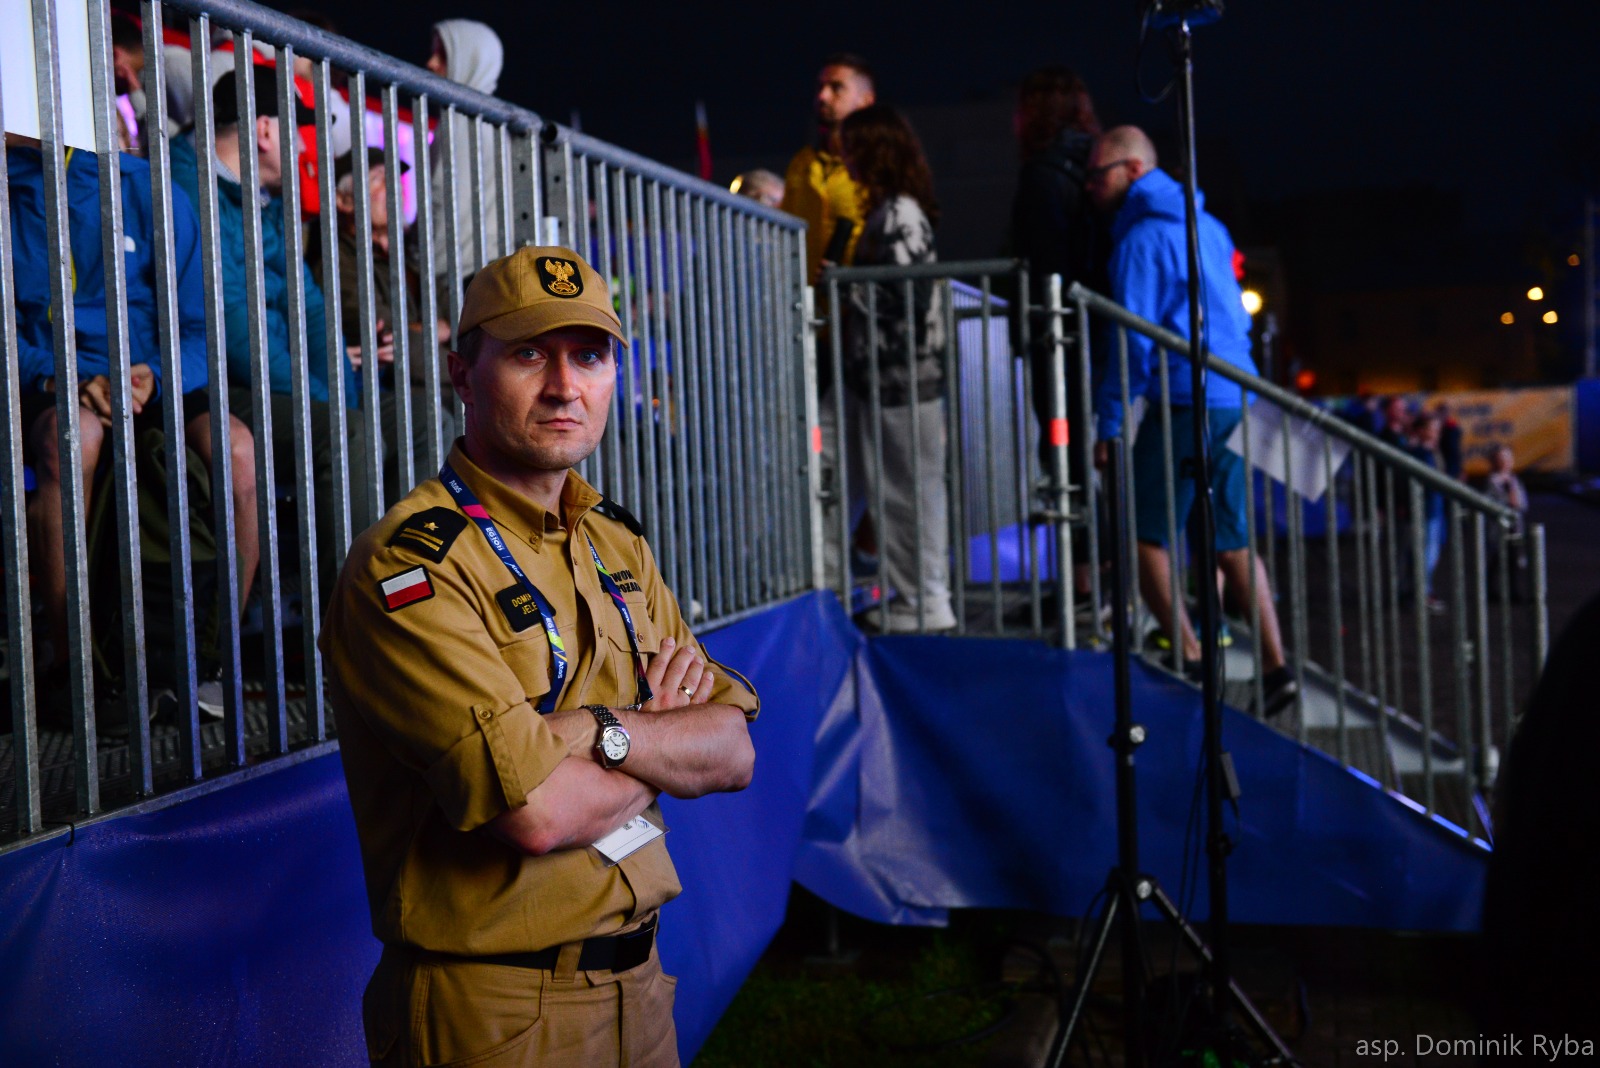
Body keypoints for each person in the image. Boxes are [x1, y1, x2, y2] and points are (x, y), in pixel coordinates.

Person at [321, 245, 758, 1068]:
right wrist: (659, 737)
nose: (565, 386)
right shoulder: (411, 566)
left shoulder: (615, 541)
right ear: (462, 375)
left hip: (641, 988)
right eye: (529, 354)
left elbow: (733, 749)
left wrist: (591, 731)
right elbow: (538, 815)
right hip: (493, 1010)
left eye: (589, 356)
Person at [7, 139, 259, 722]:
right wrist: (62, 378)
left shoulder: (149, 188)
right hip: (52, 379)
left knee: (239, 450)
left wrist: (154, 376)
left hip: (149, 374)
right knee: (74, 439)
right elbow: (8, 335)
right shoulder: (10, 193)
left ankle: (212, 658)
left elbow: (200, 328)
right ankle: (78, 668)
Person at [1085, 125, 1296, 716]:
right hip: (1232, 393)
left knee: (1141, 531)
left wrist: (1109, 424)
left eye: (1098, 176)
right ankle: (1277, 668)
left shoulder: (1141, 240)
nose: (1090, 187)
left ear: (1132, 170)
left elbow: (1130, 341)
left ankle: (1191, 656)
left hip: (1184, 395)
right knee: (1231, 538)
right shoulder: (1208, 226)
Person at [170, 64, 366, 596]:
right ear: (262, 130)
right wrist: (325, 402)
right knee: (346, 432)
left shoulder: (264, 198)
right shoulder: (188, 188)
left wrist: (342, 396)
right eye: (295, 131)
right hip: (222, 384)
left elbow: (312, 310)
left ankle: (407, 600)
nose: (303, 148)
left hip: (282, 384)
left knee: (412, 424)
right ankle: (348, 621)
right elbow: (233, 331)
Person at [821, 104, 955, 634]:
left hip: (900, 380)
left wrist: (847, 285)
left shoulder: (899, 213)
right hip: (885, 380)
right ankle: (917, 599)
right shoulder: (895, 212)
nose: (846, 160)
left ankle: (925, 602)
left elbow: (908, 298)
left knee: (907, 493)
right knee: (896, 490)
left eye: (852, 150)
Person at [1008, 65, 1111, 615]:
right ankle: (1099, 581)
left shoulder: (1043, 173)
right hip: (1093, 338)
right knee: (1087, 461)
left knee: (1063, 459)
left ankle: (1081, 587)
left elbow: (1043, 257)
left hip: (1058, 341)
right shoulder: (1091, 164)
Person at [307, 147, 456, 504]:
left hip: (424, 382)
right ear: (344, 201)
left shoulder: (405, 255)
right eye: (378, 180)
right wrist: (436, 332)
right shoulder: (335, 258)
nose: (395, 188)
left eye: (395, 179)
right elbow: (380, 328)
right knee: (444, 414)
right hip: (382, 387)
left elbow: (458, 310)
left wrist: (442, 327)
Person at [423, 20, 505, 294]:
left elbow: (442, 202)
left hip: (459, 277)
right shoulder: (496, 123)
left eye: (444, 55)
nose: (431, 63)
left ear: (472, 61)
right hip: (487, 272)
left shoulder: (459, 124)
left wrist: (420, 262)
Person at [783, 53, 875, 286]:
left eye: (837, 88)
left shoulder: (876, 164)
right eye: (820, 87)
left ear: (865, 100)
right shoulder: (801, 163)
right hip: (805, 301)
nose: (822, 96)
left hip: (859, 300)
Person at [1481, 443, 1528, 601]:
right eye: (1501, 458)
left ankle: (1513, 591)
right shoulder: (1491, 482)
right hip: (1497, 528)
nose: (1505, 462)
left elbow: (1523, 503)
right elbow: (1487, 502)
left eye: (1508, 458)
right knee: (1495, 559)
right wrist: (1505, 503)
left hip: (1514, 527)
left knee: (1513, 560)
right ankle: (1490, 590)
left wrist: (1516, 501)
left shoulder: (1514, 481)